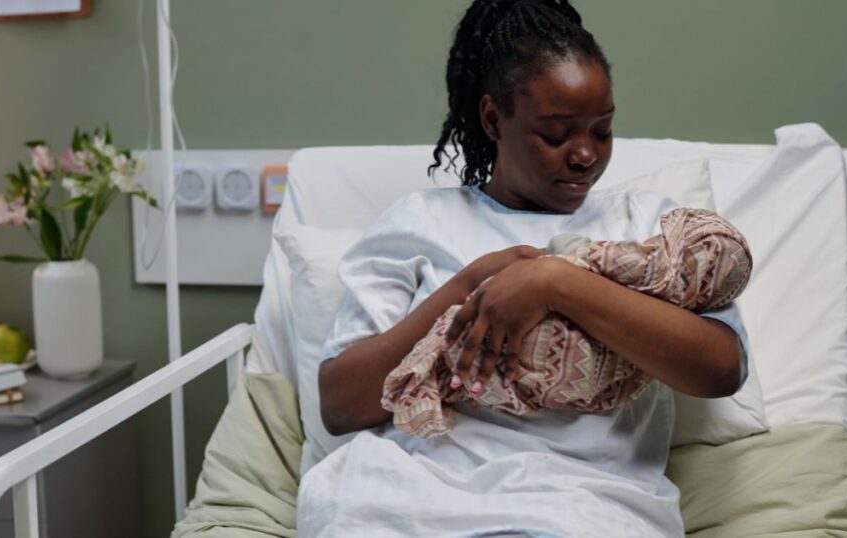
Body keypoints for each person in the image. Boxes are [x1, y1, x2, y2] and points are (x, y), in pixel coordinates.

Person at [297, 1, 749, 536]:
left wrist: (556, 283)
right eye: (556, 134)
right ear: (494, 118)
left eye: (601, 131)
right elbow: (341, 406)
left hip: (586, 499)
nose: (584, 155)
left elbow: (722, 369)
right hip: (416, 492)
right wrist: (470, 286)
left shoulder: (650, 229)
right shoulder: (420, 222)